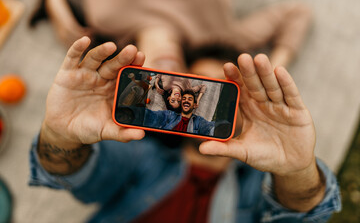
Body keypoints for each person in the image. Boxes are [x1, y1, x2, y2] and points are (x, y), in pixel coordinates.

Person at [29, 37, 341, 222]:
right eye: (190, 88)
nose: (194, 98)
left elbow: (305, 214)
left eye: (219, 91)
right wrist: (60, 136)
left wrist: (297, 170)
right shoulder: (142, 154)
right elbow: (74, 172)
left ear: (246, 101)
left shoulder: (262, 182)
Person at [44, 0, 312, 71]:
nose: (166, 74)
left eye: (154, 85)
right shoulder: (217, 38)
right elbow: (296, 14)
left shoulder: (103, 21)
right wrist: (275, 74)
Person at [141, 90, 214, 135]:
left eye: (190, 99)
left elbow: (210, 127)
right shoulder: (169, 115)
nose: (186, 101)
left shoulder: (198, 121)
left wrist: (220, 129)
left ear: (195, 105)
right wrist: (133, 113)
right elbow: (152, 116)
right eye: (184, 99)